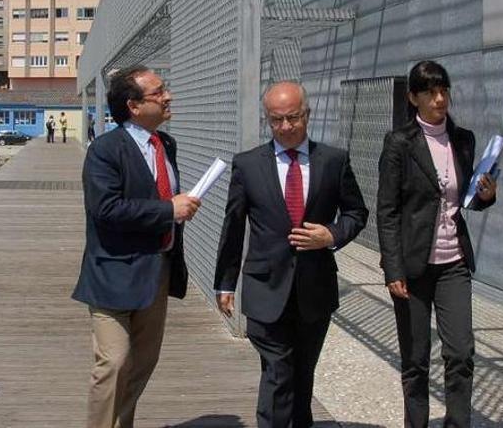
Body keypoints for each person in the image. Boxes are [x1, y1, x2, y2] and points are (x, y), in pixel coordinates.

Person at [214, 81, 368, 428]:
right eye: (276, 120)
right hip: (265, 287)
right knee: (278, 372)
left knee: (302, 375)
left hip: (315, 290)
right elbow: (234, 226)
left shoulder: (333, 161)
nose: (285, 127)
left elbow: (357, 213)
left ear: (307, 115)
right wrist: (225, 283)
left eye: (293, 118)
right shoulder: (249, 165)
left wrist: (331, 235)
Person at [72, 65, 201, 428]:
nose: (167, 97)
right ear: (133, 105)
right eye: (158, 92)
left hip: (157, 270)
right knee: (114, 362)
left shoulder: (166, 144)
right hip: (113, 273)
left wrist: (179, 208)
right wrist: (167, 209)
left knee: (142, 362)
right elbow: (105, 208)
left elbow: (159, 194)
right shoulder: (105, 150)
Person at [377, 60, 497, 428]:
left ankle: (457, 423)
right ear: (414, 97)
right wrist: (392, 267)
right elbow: (387, 211)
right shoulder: (399, 143)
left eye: (444, 90)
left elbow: (466, 200)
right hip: (412, 268)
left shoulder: (463, 139)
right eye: (430, 92)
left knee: (461, 352)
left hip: (454, 262)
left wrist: (486, 196)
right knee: (415, 360)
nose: (439, 99)